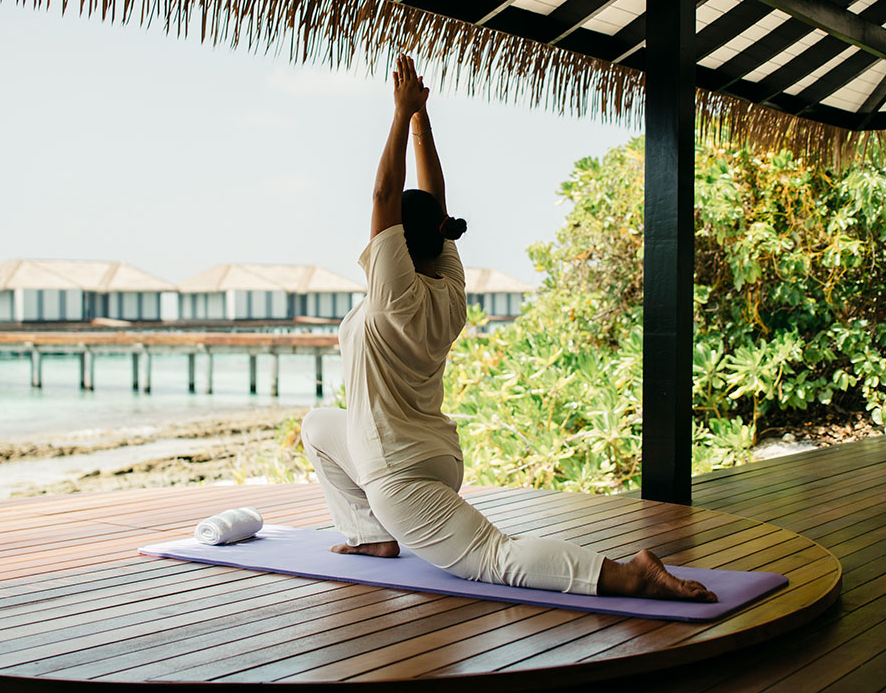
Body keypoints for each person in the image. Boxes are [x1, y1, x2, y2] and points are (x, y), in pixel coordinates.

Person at [300, 54, 716, 602]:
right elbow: (434, 207)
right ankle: (373, 537)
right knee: (318, 425)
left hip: (399, 477)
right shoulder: (448, 286)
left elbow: (384, 198)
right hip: (434, 455)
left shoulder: (393, 293)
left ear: (398, 242)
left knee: (493, 556)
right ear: (440, 236)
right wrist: (423, 123)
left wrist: (399, 116)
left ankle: (628, 572)